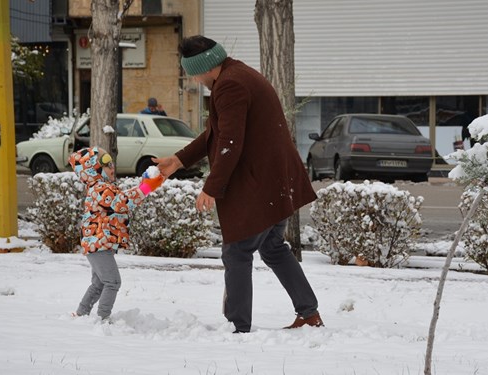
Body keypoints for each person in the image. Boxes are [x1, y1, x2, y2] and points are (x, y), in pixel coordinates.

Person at [153, 35, 322, 333]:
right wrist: (177, 161)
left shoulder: (230, 86)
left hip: (260, 185)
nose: (193, 79)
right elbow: (214, 136)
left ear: (203, 67)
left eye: (192, 72)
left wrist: (211, 187)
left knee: (237, 252)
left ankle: (239, 325)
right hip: (276, 182)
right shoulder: (237, 74)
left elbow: (230, 144)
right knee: (272, 248)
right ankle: (309, 313)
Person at [69, 146, 163, 321]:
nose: (112, 167)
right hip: (97, 244)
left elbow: (123, 202)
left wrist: (144, 186)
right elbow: (122, 203)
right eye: (106, 164)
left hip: (97, 243)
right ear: (93, 169)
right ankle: (103, 318)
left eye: (112, 163)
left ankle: (81, 314)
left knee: (98, 283)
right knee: (112, 282)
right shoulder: (99, 188)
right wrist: (145, 188)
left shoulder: (102, 187)